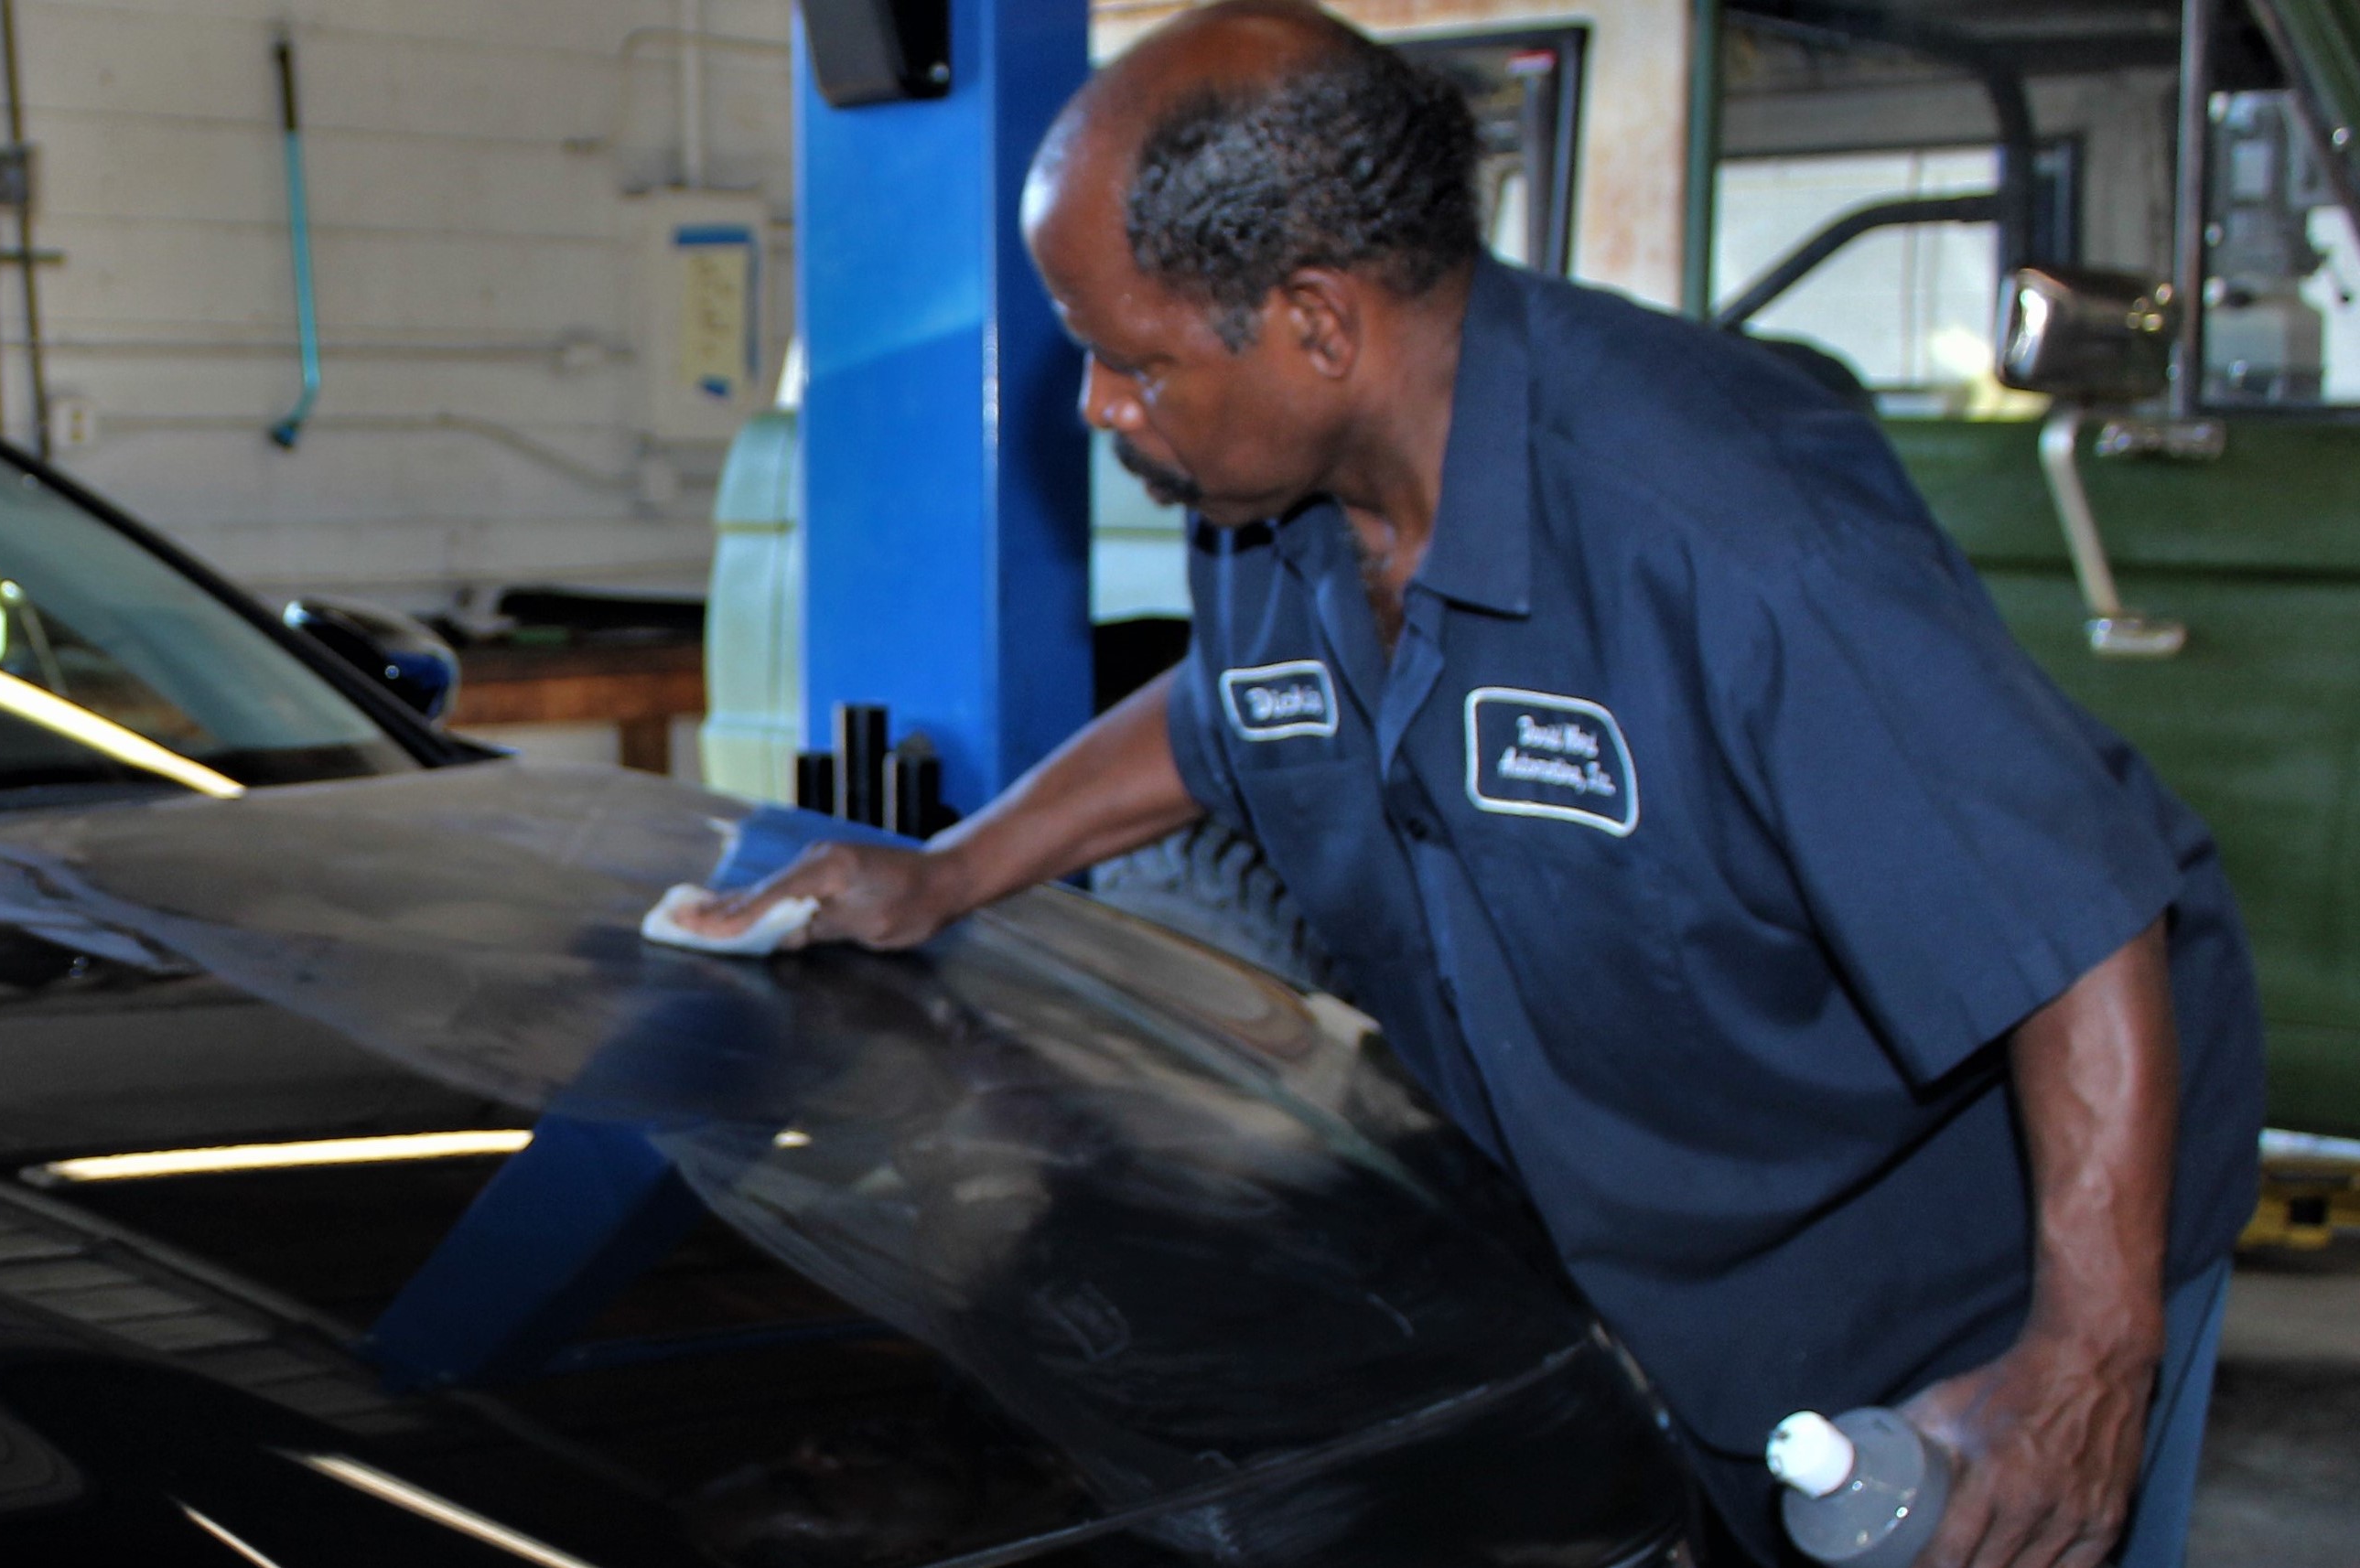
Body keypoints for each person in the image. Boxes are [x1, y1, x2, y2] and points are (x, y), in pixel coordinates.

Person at [673, 5, 2262, 1564]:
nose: (1095, 407)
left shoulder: (1730, 530)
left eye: (1125, 359)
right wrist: (947, 872)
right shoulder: (1278, 509)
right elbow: (1231, 708)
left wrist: (2083, 1366)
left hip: (1965, 1270)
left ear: (1314, 322)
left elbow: (2070, 921)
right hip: (1664, 1260)